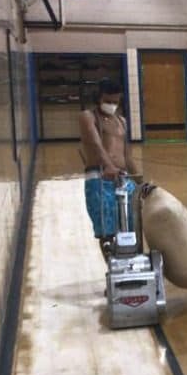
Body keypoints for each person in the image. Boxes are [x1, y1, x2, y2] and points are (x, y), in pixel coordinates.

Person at [79, 78, 140, 257]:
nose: (111, 104)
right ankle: (113, 267)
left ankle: (131, 264)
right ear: (99, 98)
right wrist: (109, 166)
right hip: (100, 178)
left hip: (123, 178)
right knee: (107, 231)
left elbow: (127, 155)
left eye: (115, 101)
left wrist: (139, 181)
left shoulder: (122, 121)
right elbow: (95, 143)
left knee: (130, 227)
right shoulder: (88, 117)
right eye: (108, 101)